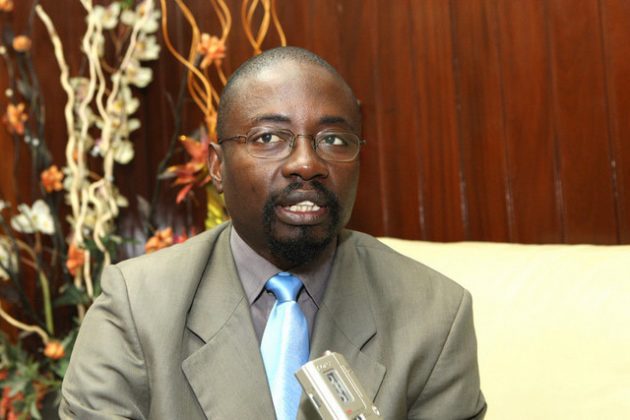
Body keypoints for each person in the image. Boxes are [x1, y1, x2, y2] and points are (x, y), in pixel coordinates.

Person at [59, 46, 486, 419]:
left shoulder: (433, 315)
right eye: (268, 137)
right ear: (216, 167)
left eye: (334, 140)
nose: (307, 163)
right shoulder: (136, 305)